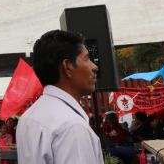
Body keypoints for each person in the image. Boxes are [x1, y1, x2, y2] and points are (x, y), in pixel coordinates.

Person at [16, 30, 103, 164]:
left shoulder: (28, 117)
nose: (95, 66)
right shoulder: (72, 126)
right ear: (67, 66)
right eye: (87, 58)